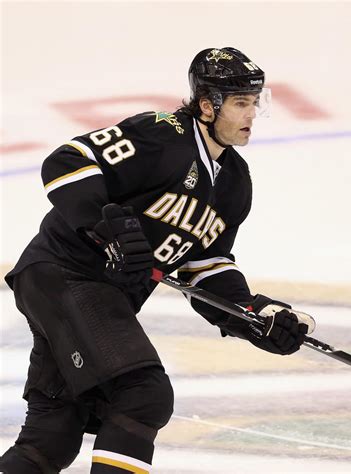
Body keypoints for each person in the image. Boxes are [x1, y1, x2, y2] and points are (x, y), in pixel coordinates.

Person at [0, 47, 312, 473]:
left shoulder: (235, 184)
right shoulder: (162, 135)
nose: (251, 114)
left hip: (88, 293)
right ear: (208, 105)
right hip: (66, 272)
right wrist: (106, 227)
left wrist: (252, 314)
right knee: (142, 394)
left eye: (255, 102)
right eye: (240, 102)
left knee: (51, 438)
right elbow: (68, 161)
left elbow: (206, 267)